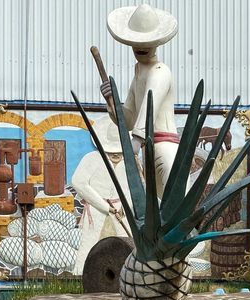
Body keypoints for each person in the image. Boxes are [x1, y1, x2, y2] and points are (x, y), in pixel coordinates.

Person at [101, 3, 179, 198]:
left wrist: (136, 140)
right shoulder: (139, 72)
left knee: (173, 202)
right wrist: (112, 102)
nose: (141, 47)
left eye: (147, 43)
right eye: (137, 42)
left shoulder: (160, 71)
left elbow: (149, 106)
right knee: (157, 205)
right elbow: (128, 119)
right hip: (149, 149)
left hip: (165, 147)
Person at [72, 117, 132, 273]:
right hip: (96, 210)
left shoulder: (131, 161)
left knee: (126, 244)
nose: (115, 154)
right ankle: (80, 275)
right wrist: (105, 206)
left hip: (122, 211)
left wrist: (126, 206)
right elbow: (79, 182)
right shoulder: (91, 159)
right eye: (111, 150)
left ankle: (127, 276)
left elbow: (136, 187)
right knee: (90, 244)